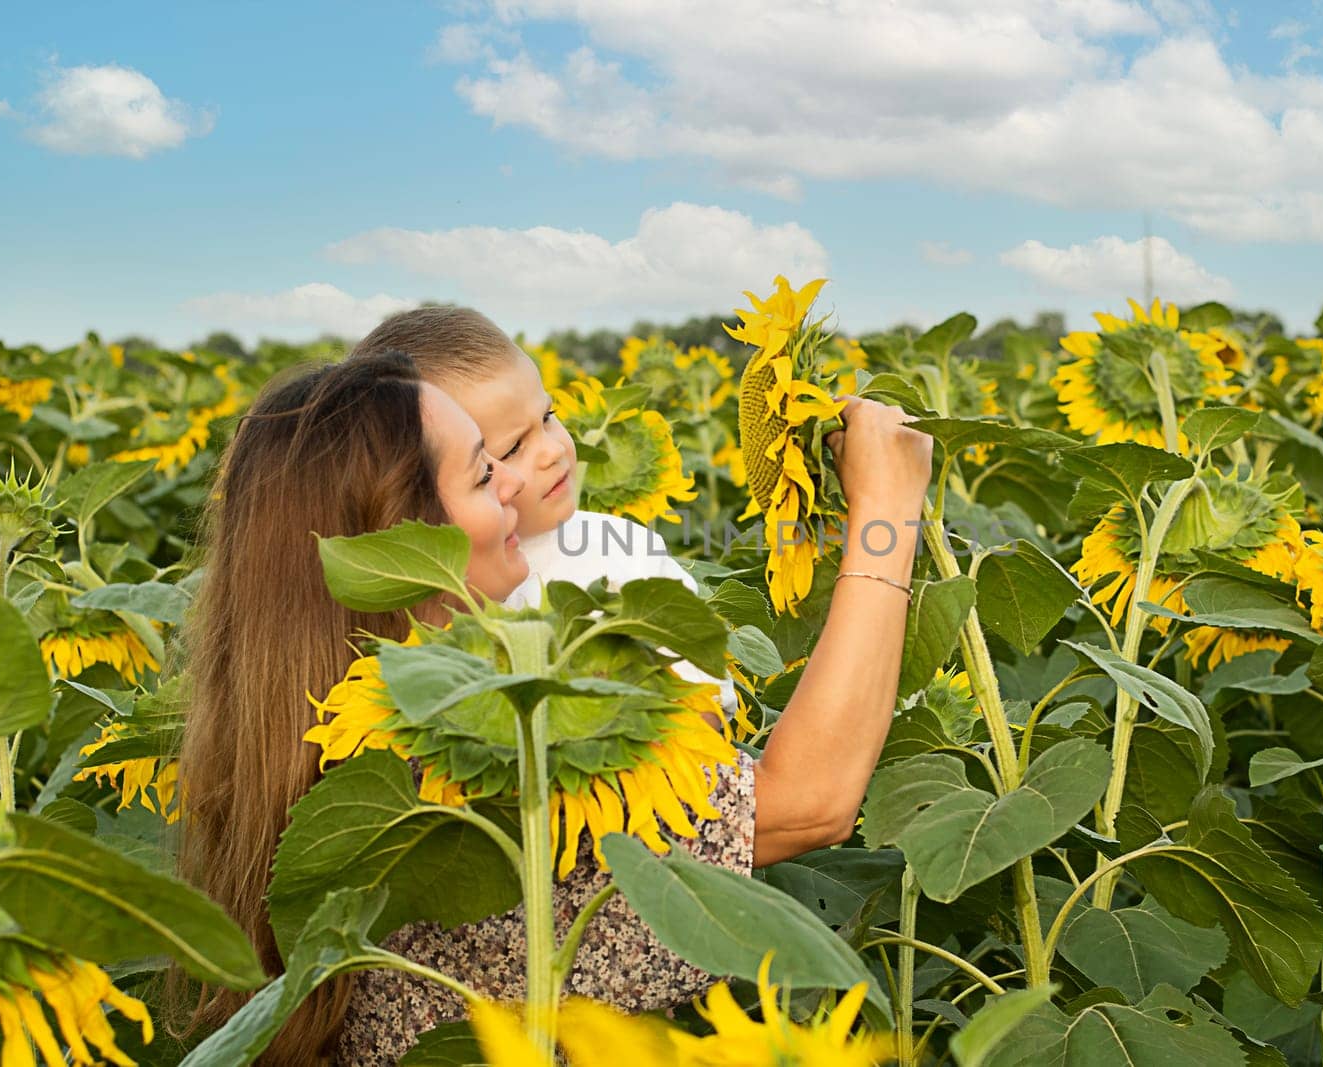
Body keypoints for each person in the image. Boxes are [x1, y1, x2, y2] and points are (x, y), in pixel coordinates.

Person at [174, 349, 932, 1064]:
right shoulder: (470, 771)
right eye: (482, 474)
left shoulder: (318, 733)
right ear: (406, 538)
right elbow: (807, 800)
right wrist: (887, 513)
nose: (515, 483)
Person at [348, 308, 738, 721]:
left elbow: (701, 694)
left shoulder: (621, 550)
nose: (553, 450)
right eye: (512, 449)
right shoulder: (418, 588)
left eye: (548, 418)